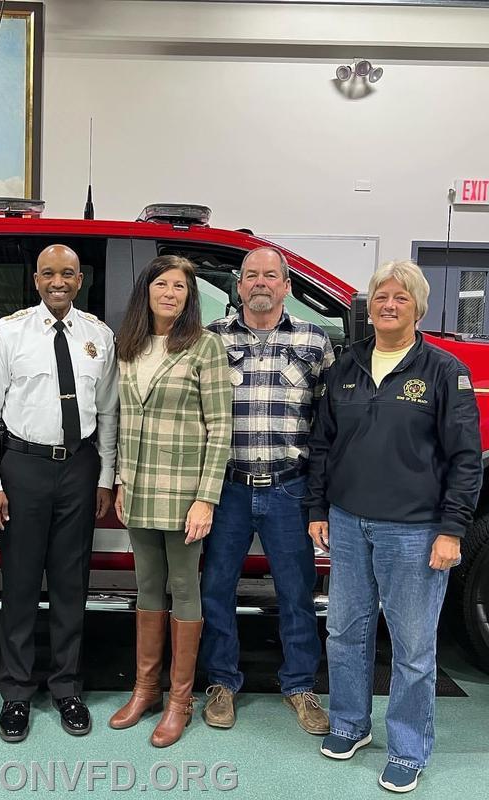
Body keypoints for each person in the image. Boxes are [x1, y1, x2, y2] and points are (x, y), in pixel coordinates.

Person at [305, 260, 481, 793]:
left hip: (416, 531)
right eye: (381, 296)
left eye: (400, 298)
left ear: (418, 308)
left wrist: (452, 530)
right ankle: (350, 725)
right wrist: (317, 510)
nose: (388, 305)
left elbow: (466, 458)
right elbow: (322, 446)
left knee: (411, 645)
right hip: (348, 522)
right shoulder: (346, 368)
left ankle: (408, 747)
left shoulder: (444, 371)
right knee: (344, 632)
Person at [0, 244, 118, 743]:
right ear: (36, 280)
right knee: (21, 584)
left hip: (78, 467)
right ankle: (15, 692)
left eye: (69, 274)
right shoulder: (7, 334)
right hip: (23, 469)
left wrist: (104, 476)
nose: (59, 281)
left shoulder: (98, 336)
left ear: (81, 280)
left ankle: (66, 687)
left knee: (73, 583)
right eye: (50, 273)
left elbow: (110, 413)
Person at [202, 246, 334, 734]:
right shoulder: (210, 340)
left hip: (289, 488)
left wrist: (321, 493)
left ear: (286, 286)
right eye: (251, 275)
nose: (260, 282)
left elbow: (326, 425)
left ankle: (300, 686)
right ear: (238, 286)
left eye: (270, 275)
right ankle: (221, 682)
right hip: (227, 488)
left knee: (297, 592)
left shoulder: (315, 341)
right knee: (216, 588)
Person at [110, 255, 231, 748]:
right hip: (138, 488)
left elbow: (221, 427)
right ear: (148, 289)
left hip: (184, 492)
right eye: (162, 283)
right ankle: (145, 691)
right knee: (146, 587)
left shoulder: (205, 347)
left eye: (180, 286)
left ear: (189, 296)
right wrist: (119, 480)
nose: (170, 293)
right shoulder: (129, 345)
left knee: (184, 586)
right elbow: (119, 419)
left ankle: (179, 701)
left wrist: (206, 498)